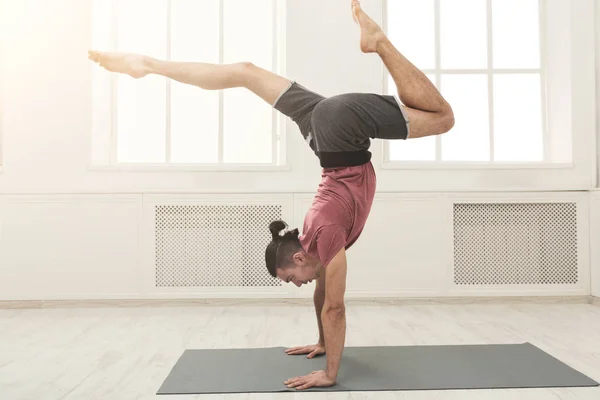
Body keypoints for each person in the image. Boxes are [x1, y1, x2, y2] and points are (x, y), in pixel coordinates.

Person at [89, 0, 454, 391]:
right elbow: (322, 295)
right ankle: (147, 64)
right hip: (321, 128)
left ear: (299, 256)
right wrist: (321, 342)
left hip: (340, 133)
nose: (296, 283)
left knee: (443, 118)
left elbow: (335, 306)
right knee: (245, 73)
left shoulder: (325, 233)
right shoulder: (316, 240)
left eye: (290, 278)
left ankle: (379, 41)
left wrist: (329, 374)